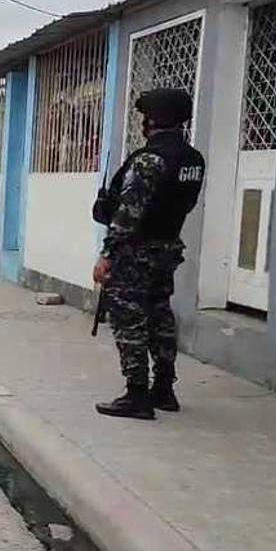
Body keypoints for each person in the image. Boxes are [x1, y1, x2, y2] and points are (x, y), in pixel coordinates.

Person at [92, 88, 204, 420]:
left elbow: (129, 214)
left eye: (145, 117)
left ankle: (137, 394)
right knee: (159, 315)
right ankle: (164, 389)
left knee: (129, 319)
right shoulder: (192, 159)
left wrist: (107, 254)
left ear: (155, 119)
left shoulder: (149, 160)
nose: (143, 122)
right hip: (167, 247)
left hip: (136, 251)